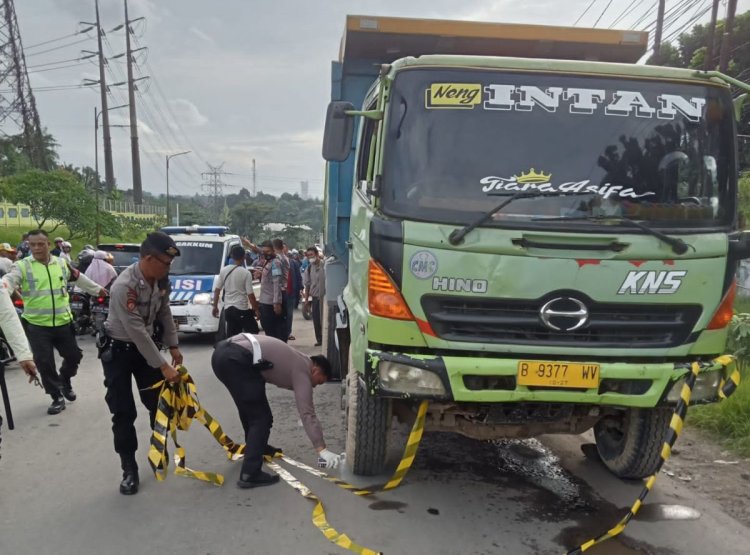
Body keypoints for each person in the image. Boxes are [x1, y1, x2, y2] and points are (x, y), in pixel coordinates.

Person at [99, 231, 183, 495]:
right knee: (123, 412)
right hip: (120, 352)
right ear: (148, 258)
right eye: (165, 263)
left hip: (146, 351)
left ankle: (157, 449)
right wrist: (163, 365)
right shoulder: (124, 286)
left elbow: (165, 311)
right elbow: (136, 331)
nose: (169, 268)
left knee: (158, 405)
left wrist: (174, 345)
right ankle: (129, 469)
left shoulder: (161, 279)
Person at [212, 333, 340, 488]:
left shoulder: (298, 358)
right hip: (236, 360)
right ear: (316, 371)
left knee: (251, 411)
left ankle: (258, 448)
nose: (314, 387)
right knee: (260, 419)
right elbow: (307, 414)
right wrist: (322, 450)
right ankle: (250, 474)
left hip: (222, 353)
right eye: (318, 382)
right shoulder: (302, 370)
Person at [2, 229, 106, 415]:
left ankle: (64, 379)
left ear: (48, 245)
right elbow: (9, 281)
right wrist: (4, 289)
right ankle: (56, 396)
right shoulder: (22, 266)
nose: (36, 248)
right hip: (36, 325)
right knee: (44, 362)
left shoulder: (61, 263)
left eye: (40, 244)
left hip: (62, 322)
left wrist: (98, 290)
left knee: (74, 356)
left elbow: (78, 278)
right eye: (32, 245)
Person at [212, 244, 259, 337]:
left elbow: (217, 290)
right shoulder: (246, 273)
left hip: (228, 310)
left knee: (232, 335)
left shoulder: (223, 270)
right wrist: (256, 309)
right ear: (244, 257)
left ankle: (233, 349)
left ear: (232, 256)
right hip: (241, 308)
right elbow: (250, 294)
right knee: (254, 331)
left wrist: (215, 306)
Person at [257, 240, 287, 342]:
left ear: (273, 250)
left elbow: (277, 283)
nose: (266, 254)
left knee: (274, 332)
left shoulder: (275, 263)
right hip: (265, 301)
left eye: (268, 251)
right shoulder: (268, 262)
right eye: (264, 252)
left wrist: (276, 303)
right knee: (268, 330)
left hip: (271, 303)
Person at [303, 246, 326, 347]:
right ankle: (319, 339)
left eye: (311, 255)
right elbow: (307, 285)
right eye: (308, 256)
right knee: (316, 320)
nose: (310, 257)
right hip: (315, 298)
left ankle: (326, 339)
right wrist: (306, 299)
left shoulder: (325, 265)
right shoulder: (308, 268)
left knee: (324, 320)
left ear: (317, 254)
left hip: (324, 298)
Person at [285, 248, 302, 341]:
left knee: (289, 314)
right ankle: (282, 332)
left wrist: (300, 289)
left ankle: (288, 333)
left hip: (291, 292)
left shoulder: (294, 263)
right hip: (281, 294)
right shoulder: (277, 263)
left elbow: (298, 276)